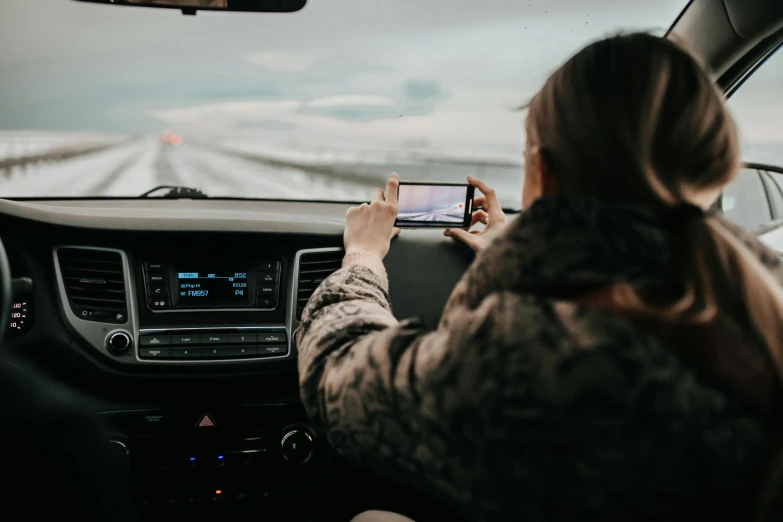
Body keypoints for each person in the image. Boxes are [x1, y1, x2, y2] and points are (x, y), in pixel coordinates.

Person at [296, 33, 783, 521]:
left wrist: (361, 257)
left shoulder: (530, 351)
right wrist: (524, 255)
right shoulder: (760, 294)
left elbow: (336, 378)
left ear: (543, 171)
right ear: (715, 166)